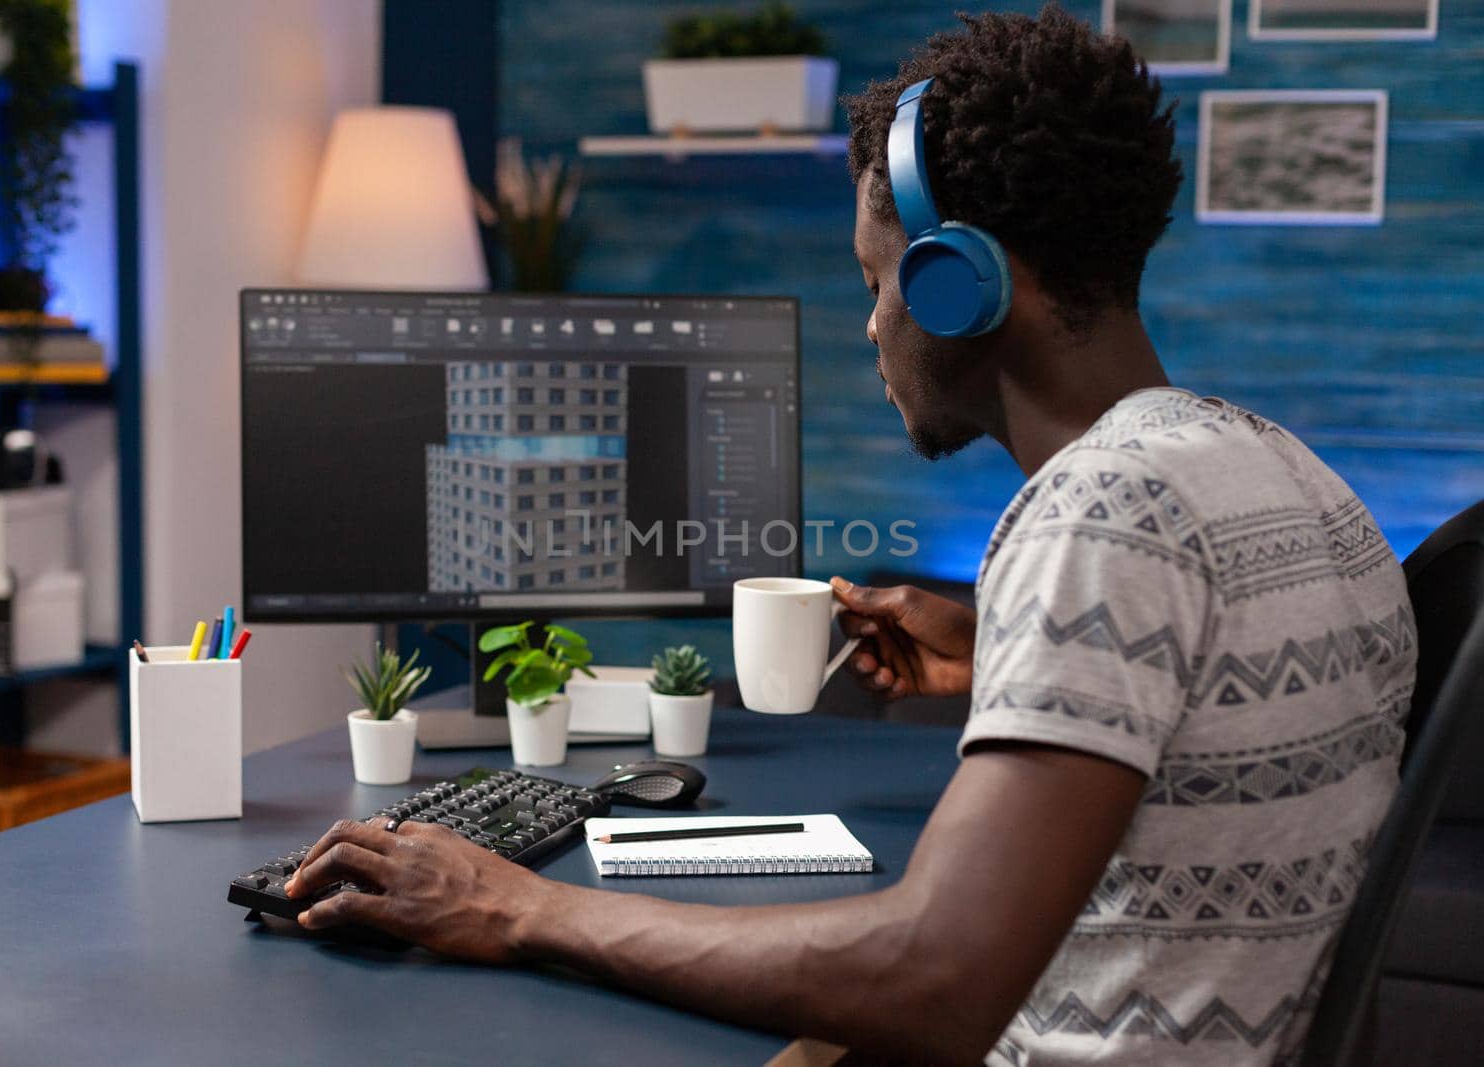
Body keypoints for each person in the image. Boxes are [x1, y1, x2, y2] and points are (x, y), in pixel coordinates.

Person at [283, 8, 1415, 1064]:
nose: (873, 323)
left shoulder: (1103, 509)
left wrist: (518, 904)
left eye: (876, 280)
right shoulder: (1281, 469)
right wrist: (1015, 658)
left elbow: (937, 974)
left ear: (956, 282)